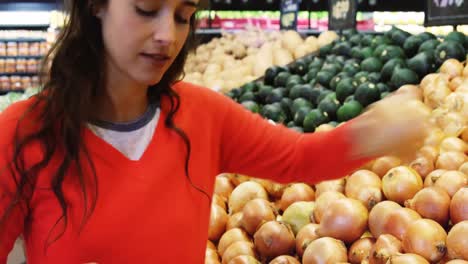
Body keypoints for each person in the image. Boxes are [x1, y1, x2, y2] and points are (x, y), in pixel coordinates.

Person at [0, 0, 430, 263]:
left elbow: (299, 156)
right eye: (146, 9)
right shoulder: (23, 133)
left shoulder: (202, 115)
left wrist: (374, 131)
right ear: (95, 5)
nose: (168, 35)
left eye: (184, 15)